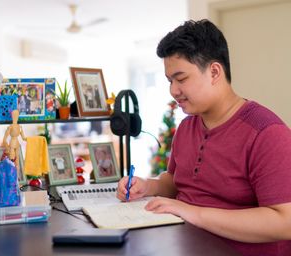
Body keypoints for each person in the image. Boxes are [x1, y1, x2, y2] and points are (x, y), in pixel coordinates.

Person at [116, 19, 291, 256]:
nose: (173, 91)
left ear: (214, 72)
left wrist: (191, 212)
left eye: (181, 78)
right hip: (180, 244)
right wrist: (149, 186)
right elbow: (175, 181)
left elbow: (284, 222)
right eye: (170, 81)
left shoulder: (267, 133)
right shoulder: (187, 127)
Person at [2, 109, 27, 176]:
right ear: (12, 116)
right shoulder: (10, 127)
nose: (15, 117)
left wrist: (31, 139)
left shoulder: (20, 127)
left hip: (17, 144)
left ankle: (16, 178)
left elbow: (24, 138)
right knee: (11, 160)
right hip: (12, 145)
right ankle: (10, 176)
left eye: (16, 115)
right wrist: (7, 147)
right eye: (14, 115)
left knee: (17, 161)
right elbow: (4, 139)